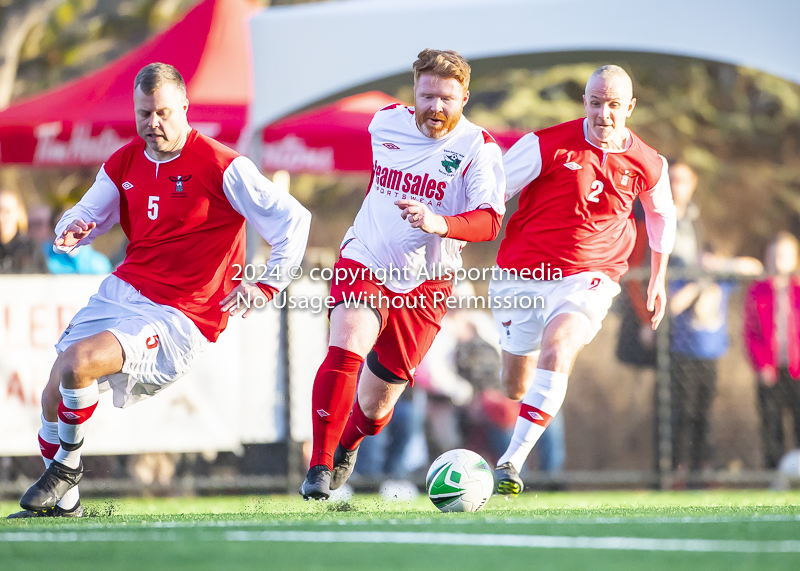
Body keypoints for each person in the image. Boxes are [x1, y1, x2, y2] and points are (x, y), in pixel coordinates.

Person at [8, 63, 311, 518]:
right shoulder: (126, 161)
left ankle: (67, 469)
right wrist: (74, 227)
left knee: (78, 364)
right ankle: (66, 502)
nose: (153, 124)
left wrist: (269, 282)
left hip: (181, 315)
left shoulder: (223, 165)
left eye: (163, 113)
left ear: (185, 107)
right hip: (124, 290)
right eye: (144, 113)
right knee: (54, 388)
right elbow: (88, 212)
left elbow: (295, 220)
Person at [299, 49, 506, 499]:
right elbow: (381, 181)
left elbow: (489, 221)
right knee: (348, 337)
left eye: (447, 98)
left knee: (376, 407)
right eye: (427, 95)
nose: (435, 107)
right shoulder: (385, 122)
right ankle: (319, 465)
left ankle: (350, 442)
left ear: (465, 97)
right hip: (366, 256)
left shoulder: (478, 149)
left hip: (427, 283)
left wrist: (438, 223)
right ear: (414, 91)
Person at [490, 65, 677, 496]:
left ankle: (510, 463)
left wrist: (658, 278)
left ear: (629, 107)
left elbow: (662, 213)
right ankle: (518, 417)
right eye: (596, 103)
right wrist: (451, 235)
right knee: (514, 383)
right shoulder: (545, 144)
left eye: (614, 105)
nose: (604, 114)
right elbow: (491, 194)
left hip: (591, 276)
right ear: (585, 103)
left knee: (559, 348)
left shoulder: (649, 163)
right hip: (523, 273)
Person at [744, 232, 800, 469]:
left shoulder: (797, 291)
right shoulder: (758, 291)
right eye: (775, 255)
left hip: (796, 370)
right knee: (771, 424)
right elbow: (751, 333)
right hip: (770, 371)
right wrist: (762, 364)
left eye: (784, 255)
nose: (779, 260)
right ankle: (774, 475)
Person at [0, 189, 48, 274]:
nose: (1, 217)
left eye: (6, 211)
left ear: (18, 213)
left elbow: (45, 281)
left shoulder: (31, 249)